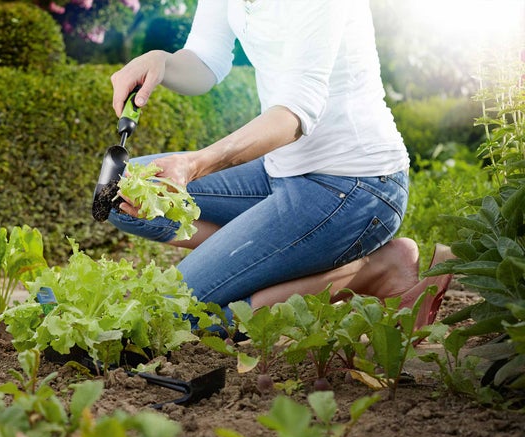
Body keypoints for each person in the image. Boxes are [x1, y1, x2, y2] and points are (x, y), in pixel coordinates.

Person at [107, 0, 452, 329]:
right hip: (279, 172)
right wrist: (161, 61)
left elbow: (294, 114)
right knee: (120, 192)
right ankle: (268, 253)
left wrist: (195, 164)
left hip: (355, 187)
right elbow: (205, 61)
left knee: (181, 312)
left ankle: (374, 270)